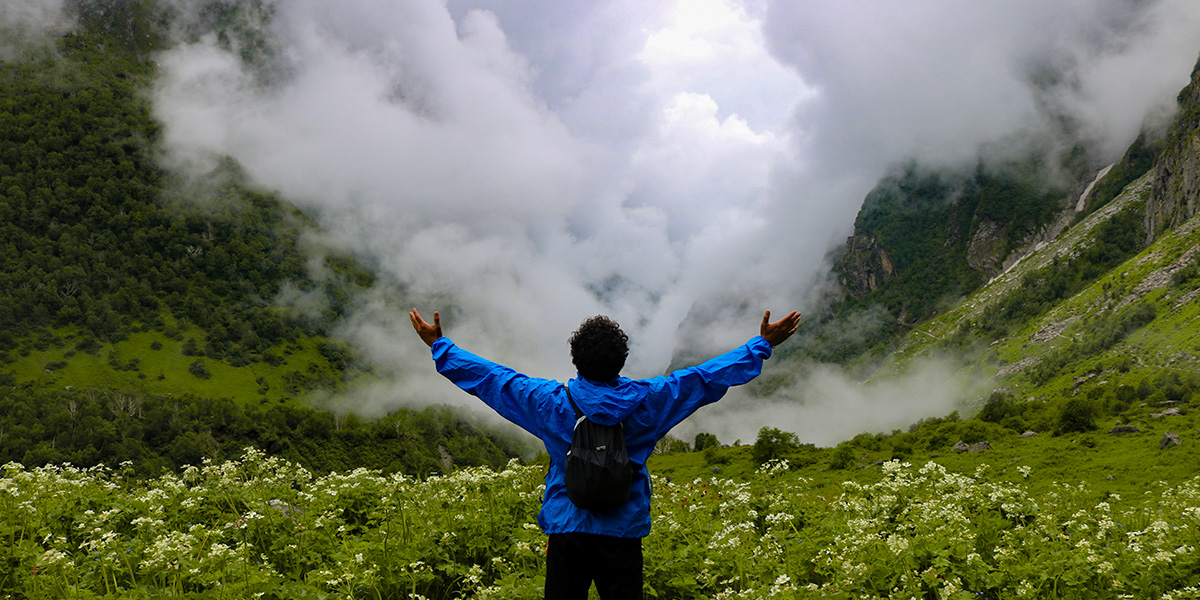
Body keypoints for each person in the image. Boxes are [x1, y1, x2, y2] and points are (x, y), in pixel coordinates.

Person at [409, 307, 802, 600]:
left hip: (568, 528)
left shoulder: (549, 402)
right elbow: (703, 378)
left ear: (576, 360)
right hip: (623, 530)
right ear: (623, 360)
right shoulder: (652, 401)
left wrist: (440, 345)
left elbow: (493, 379)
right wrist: (761, 344)